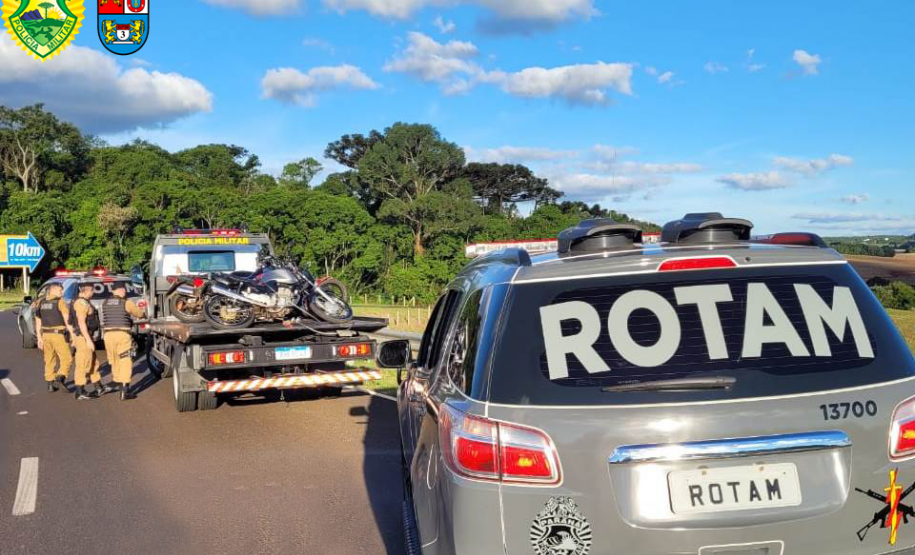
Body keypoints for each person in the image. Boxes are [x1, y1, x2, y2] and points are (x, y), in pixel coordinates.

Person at [100, 282, 145, 400]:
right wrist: (142, 313)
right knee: (125, 360)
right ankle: (125, 391)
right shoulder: (126, 302)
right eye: (123, 289)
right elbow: (139, 313)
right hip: (122, 334)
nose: (124, 291)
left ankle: (117, 381)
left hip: (108, 335)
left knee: (114, 360)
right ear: (119, 290)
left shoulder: (105, 303)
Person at [69, 281, 113, 400]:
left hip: (85, 336)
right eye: (92, 290)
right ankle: (80, 391)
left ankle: (99, 387)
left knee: (94, 363)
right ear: (86, 290)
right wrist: (88, 340)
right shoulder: (81, 303)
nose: (93, 293)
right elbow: (81, 322)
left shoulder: (82, 302)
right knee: (83, 364)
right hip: (84, 337)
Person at [35, 283, 73, 392]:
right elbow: (67, 320)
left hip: (45, 334)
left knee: (49, 360)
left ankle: (50, 384)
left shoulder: (41, 302)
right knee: (67, 358)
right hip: (58, 335)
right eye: (60, 290)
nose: (62, 293)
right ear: (53, 290)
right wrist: (73, 335)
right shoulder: (60, 302)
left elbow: (38, 321)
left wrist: (39, 338)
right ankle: (60, 377)